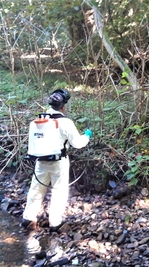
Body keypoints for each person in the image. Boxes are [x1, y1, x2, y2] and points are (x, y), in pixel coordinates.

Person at [21, 88, 92, 232]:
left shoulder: (38, 121)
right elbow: (77, 144)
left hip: (40, 161)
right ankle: (56, 223)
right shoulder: (66, 122)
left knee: (36, 189)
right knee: (58, 192)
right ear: (63, 105)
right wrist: (87, 136)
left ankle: (28, 219)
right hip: (59, 163)